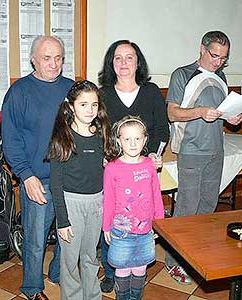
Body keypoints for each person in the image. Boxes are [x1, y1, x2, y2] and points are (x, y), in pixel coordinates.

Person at [166, 31, 242, 284]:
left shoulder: (220, 78)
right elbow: (173, 114)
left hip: (215, 150)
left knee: (208, 207)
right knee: (187, 209)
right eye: (214, 55)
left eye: (224, 58)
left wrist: (232, 117)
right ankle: (173, 262)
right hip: (191, 150)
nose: (218, 62)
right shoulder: (182, 74)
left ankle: (196, 255)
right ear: (202, 48)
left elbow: (222, 112)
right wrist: (199, 112)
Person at [1, 36, 73, 300]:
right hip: (38, 179)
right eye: (47, 58)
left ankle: (58, 274)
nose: (54, 64)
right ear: (33, 59)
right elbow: (11, 139)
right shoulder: (19, 92)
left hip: (69, 178)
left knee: (68, 235)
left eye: (59, 58)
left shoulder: (72, 89)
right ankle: (32, 288)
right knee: (35, 239)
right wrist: (26, 176)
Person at [98, 39, 169, 293]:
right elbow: (96, 131)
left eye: (130, 57)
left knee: (138, 216)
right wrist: (105, 157)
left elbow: (162, 129)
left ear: (138, 62)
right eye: (118, 58)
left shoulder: (151, 92)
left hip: (142, 168)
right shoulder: (103, 94)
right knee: (113, 218)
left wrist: (151, 155)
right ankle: (110, 271)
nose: (124, 63)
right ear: (111, 63)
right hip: (112, 170)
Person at [48, 80, 111, 300]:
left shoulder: (102, 134)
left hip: (97, 203)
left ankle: (93, 296)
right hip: (71, 205)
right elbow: (55, 184)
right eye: (83, 104)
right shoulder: (62, 139)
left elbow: (109, 170)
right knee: (69, 260)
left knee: (91, 256)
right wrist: (62, 221)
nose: (90, 110)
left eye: (94, 104)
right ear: (71, 106)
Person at [103, 116, 165, 300]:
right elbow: (108, 199)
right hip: (121, 231)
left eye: (137, 139)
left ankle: (136, 297)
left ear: (145, 140)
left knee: (140, 267)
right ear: (118, 140)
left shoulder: (149, 165)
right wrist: (106, 226)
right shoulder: (112, 168)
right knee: (122, 268)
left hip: (145, 230)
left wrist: (159, 224)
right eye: (127, 139)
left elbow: (156, 195)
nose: (132, 143)